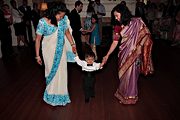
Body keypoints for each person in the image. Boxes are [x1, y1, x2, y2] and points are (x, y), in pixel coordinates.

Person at [102, 4, 154, 105]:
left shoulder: (137, 22)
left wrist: (140, 46)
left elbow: (146, 34)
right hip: (123, 53)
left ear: (123, 13)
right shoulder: (117, 26)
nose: (116, 18)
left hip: (135, 53)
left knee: (132, 75)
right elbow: (115, 42)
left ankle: (130, 96)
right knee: (123, 75)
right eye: (115, 16)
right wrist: (107, 55)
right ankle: (123, 94)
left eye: (117, 15)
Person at [35, 2, 76, 106]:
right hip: (48, 52)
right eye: (59, 15)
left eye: (63, 16)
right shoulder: (42, 22)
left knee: (61, 73)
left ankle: (62, 96)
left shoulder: (62, 21)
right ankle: (51, 95)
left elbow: (67, 33)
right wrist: (37, 55)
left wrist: (73, 44)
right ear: (53, 12)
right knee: (51, 73)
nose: (61, 18)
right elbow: (38, 40)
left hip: (60, 52)